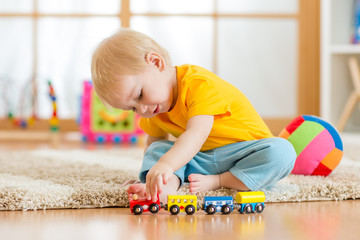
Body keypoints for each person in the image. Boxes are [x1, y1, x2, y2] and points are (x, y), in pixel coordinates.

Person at [91, 29, 296, 202]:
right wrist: (152, 174)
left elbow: (196, 135)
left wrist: (167, 164)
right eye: (132, 109)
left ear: (156, 62)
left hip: (244, 154)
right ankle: (162, 190)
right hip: (200, 160)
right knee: (157, 149)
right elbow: (153, 144)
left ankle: (222, 181)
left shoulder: (199, 85)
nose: (142, 110)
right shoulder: (153, 109)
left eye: (139, 95)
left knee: (282, 152)